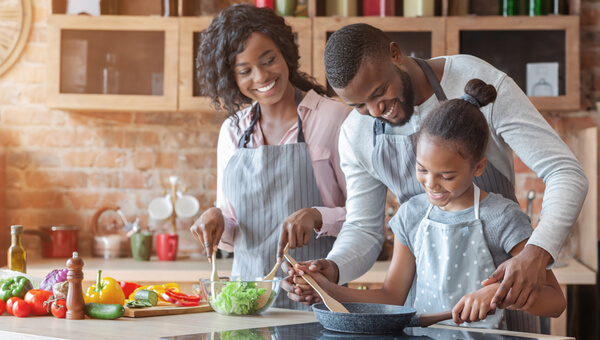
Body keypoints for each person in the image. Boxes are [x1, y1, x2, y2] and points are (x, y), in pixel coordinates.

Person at [282, 23, 587, 330]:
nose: (376, 111)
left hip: (511, 302)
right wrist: (331, 272)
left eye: (379, 92)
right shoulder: (358, 137)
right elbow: (363, 228)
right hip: (427, 318)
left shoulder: (474, 80)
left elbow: (565, 171)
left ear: (396, 54)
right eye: (359, 105)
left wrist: (536, 253)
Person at [190, 4, 351, 310]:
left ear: (285, 52)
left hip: (318, 297)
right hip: (246, 303)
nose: (262, 76)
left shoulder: (334, 118)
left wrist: (318, 216)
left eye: (269, 60)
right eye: (245, 70)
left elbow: (364, 219)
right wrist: (216, 217)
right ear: (231, 77)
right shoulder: (233, 131)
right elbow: (233, 218)